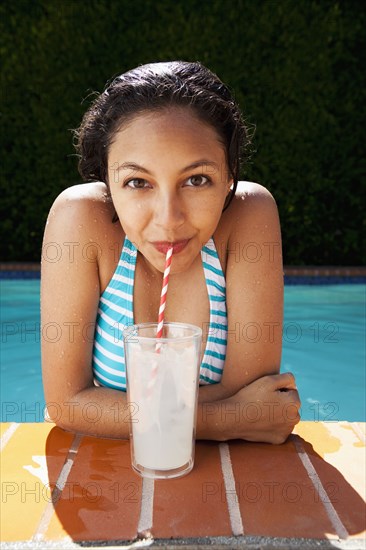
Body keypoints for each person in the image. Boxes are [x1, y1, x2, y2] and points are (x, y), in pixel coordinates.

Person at [41, 61, 300, 443]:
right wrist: (227, 420)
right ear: (106, 181)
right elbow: (68, 404)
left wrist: (116, 412)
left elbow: (253, 389)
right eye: (137, 182)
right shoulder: (80, 221)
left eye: (197, 180)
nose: (169, 219)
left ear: (230, 177)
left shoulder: (249, 214)